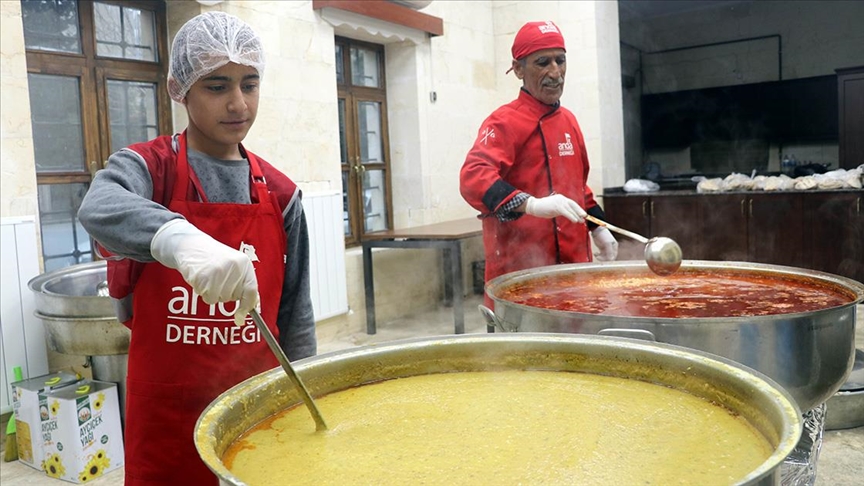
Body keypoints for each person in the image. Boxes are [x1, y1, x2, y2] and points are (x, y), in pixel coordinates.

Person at [78, 11, 316, 485]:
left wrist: (307, 399)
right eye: (216, 86)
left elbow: (295, 316)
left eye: (249, 85)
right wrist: (178, 238)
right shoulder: (151, 167)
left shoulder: (280, 194)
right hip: (168, 417)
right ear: (179, 89)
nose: (237, 104)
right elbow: (99, 204)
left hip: (257, 409)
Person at [460, 20, 618, 306]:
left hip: (574, 269)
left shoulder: (569, 120)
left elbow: (579, 188)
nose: (555, 73)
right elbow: (473, 177)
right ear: (518, 69)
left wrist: (600, 228)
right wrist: (532, 205)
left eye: (561, 60)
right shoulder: (504, 121)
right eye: (542, 62)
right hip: (521, 272)